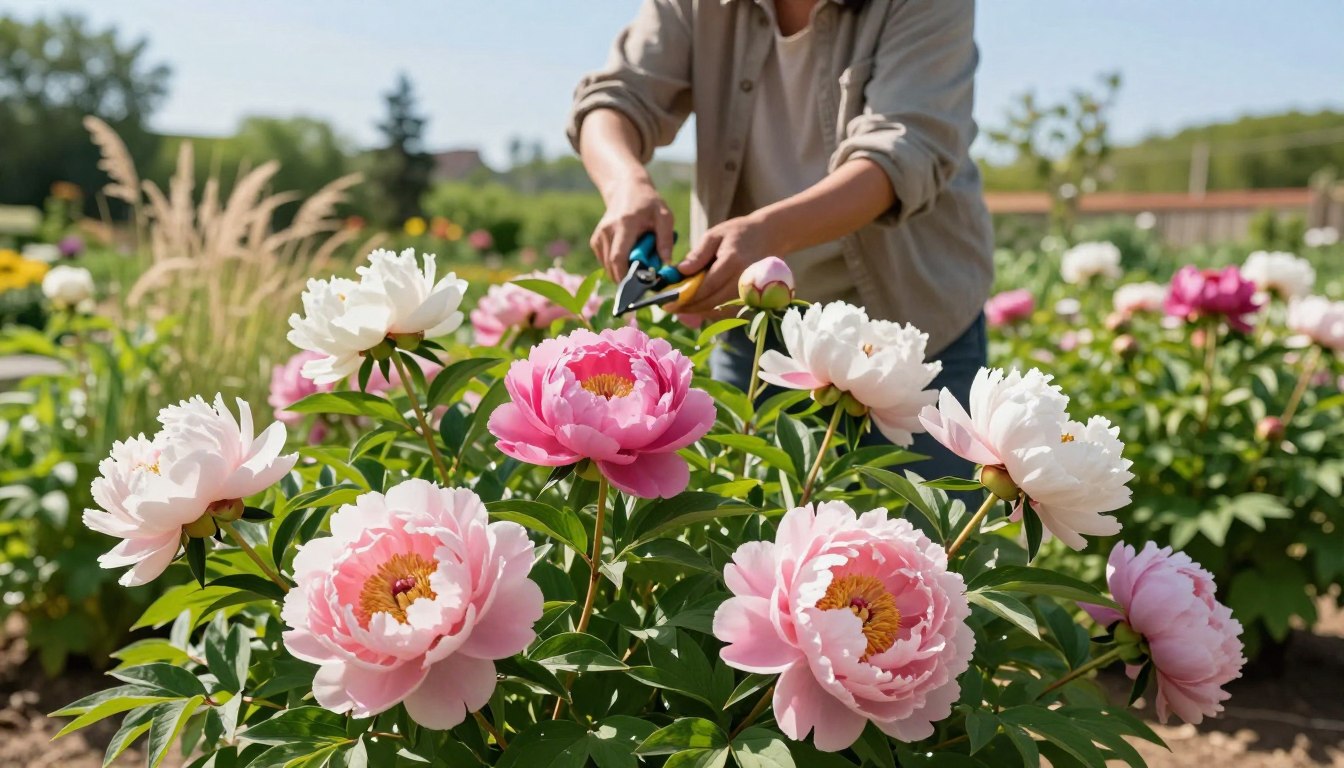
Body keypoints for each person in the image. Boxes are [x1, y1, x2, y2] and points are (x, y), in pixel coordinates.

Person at [568, 0, 993, 481]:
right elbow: (616, 97)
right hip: (756, 333)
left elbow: (904, 152)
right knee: (742, 531)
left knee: (937, 535)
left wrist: (768, 234)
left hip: (912, 331)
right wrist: (626, 185)